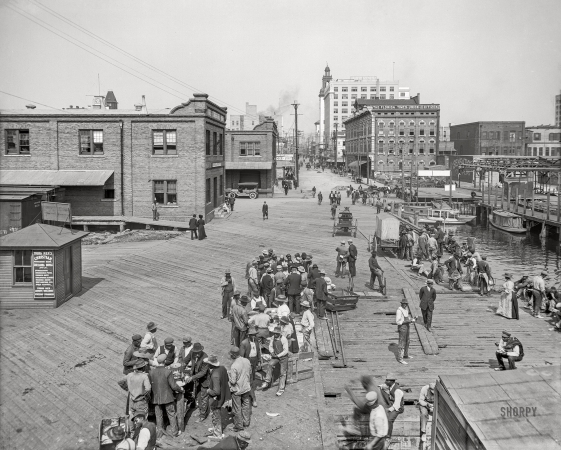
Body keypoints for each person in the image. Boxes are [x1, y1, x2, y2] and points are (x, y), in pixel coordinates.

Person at [151, 354, 183, 437]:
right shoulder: (168, 372)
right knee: (171, 414)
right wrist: (180, 389)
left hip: (156, 398)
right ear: (165, 362)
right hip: (167, 397)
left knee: (158, 415)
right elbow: (174, 386)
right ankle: (174, 432)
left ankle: (160, 433)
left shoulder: (151, 372)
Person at [205, 354, 231, 440]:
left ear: (210, 364)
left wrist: (209, 391)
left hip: (216, 399)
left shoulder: (215, 375)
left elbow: (216, 392)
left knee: (216, 415)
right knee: (216, 415)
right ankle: (215, 428)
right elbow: (226, 379)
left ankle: (217, 434)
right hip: (223, 395)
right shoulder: (222, 368)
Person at [184, 343, 210, 422]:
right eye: (195, 352)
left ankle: (203, 415)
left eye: (198, 352)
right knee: (198, 396)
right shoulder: (192, 353)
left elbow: (203, 372)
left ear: (201, 351)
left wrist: (192, 377)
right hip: (197, 379)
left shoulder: (205, 358)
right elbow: (185, 361)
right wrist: (181, 367)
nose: (197, 354)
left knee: (204, 398)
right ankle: (200, 411)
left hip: (205, 380)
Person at [262, 326, 289, 396]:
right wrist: (272, 352)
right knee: (270, 364)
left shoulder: (284, 339)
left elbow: (286, 350)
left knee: (282, 373)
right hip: (276, 356)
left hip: (283, 358)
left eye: (277, 333)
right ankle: (267, 381)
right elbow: (270, 346)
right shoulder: (273, 338)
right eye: (274, 333)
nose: (275, 334)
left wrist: (278, 355)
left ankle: (281, 389)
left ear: (280, 333)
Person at [126, 360, 151, 429]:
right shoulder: (144, 376)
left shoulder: (129, 375)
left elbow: (123, 383)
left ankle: (131, 432)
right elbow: (148, 388)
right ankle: (141, 433)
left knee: (131, 416)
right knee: (142, 419)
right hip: (141, 401)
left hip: (131, 400)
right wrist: (143, 394)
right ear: (143, 368)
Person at [379, 374, 404, 441]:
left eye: (387, 380)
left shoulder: (398, 391)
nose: (385, 381)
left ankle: (388, 436)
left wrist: (388, 410)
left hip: (398, 408)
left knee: (389, 419)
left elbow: (397, 405)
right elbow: (383, 386)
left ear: (392, 381)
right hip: (392, 403)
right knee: (381, 389)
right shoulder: (390, 386)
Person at [239, 327, 261, 407]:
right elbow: (241, 356)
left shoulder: (256, 341)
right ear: (249, 335)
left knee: (252, 378)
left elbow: (258, 351)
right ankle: (253, 399)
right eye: (252, 335)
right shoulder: (244, 343)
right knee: (249, 380)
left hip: (254, 361)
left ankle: (248, 392)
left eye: (254, 335)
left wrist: (259, 361)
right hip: (247, 361)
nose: (253, 336)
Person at [396, 299, 416, 364]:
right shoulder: (399, 311)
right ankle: (400, 359)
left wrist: (412, 319)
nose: (406, 305)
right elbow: (398, 322)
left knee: (407, 341)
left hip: (407, 327)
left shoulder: (406, 310)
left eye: (406, 304)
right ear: (402, 304)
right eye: (404, 304)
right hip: (402, 328)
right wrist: (409, 321)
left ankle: (405, 355)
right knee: (402, 342)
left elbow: (407, 318)